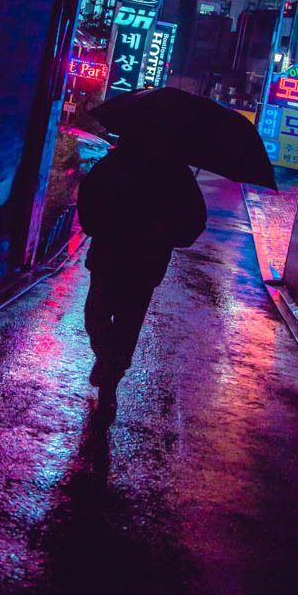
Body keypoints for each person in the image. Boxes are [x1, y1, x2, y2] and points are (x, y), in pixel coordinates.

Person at [76, 126, 207, 416]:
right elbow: (90, 196)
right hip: (110, 256)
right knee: (95, 316)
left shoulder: (176, 174)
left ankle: (109, 385)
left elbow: (194, 220)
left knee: (125, 326)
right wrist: (97, 225)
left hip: (143, 265)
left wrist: (166, 230)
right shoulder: (117, 162)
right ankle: (108, 359)